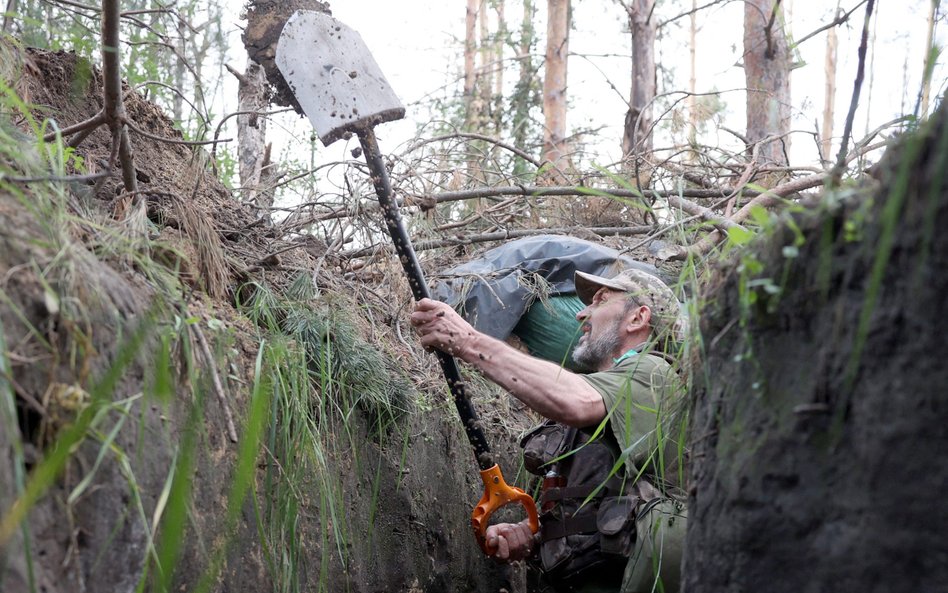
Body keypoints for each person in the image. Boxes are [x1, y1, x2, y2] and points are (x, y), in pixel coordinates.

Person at [411, 268, 688, 593]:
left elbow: (576, 400)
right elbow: (595, 509)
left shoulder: (654, 372)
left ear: (638, 318)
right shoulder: (598, 397)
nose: (582, 313)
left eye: (601, 299)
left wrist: (468, 341)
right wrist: (530, 535)